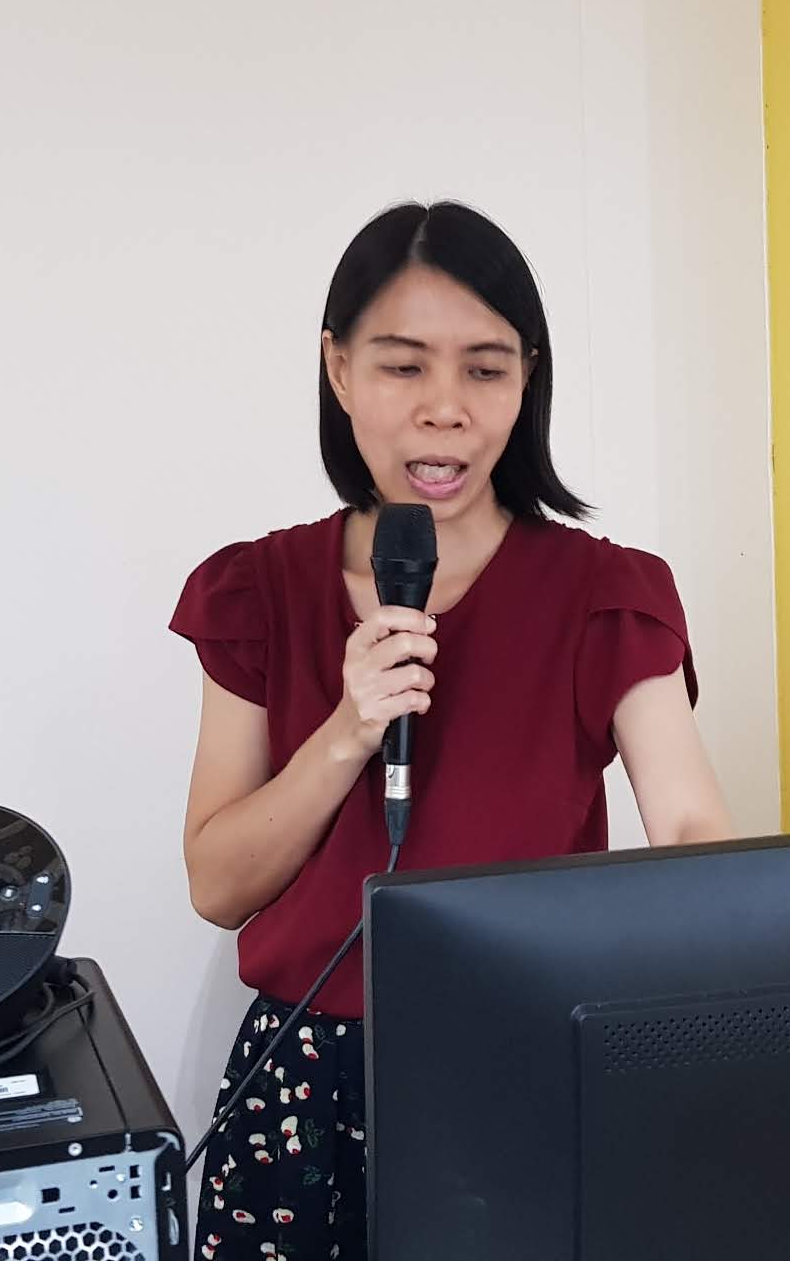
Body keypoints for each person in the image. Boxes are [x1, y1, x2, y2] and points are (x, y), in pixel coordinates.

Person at [170, 199, 736, 1261]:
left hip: (530, 1064)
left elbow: (694, 832)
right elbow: (218, 885)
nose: (445, 411)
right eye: (402, 366)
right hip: (303, 1096)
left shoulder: (605, 595)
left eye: (485, 369)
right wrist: (347, 729)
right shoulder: (257, 590)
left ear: (528, 381)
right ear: (339, 371)